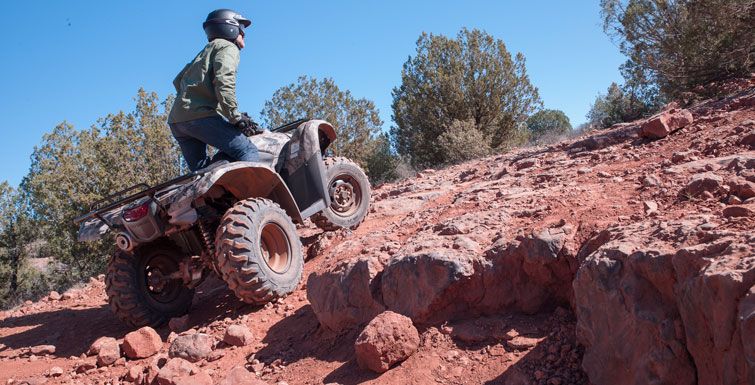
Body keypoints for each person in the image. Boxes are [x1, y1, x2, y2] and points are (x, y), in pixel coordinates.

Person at [168, 9, 261, 171]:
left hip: (177, 121)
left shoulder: (205, 51)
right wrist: (235, 117)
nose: (244, 34)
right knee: (248, 150)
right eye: (242, 29)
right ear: (230, 28)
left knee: (203, 171)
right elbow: (224, 80)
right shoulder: (227, 47)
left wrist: (194, 100)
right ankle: (254, 193)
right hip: (200, 117)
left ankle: (214, 196)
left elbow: (178, 81)